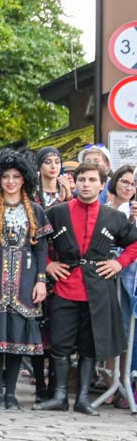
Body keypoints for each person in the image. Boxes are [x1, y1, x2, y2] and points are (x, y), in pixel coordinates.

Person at [37, 163, 137, 415]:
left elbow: (134, 242)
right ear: (75, 182)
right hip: (64, 286)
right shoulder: (56, 213)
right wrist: (48, 264)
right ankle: (59, 396)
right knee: (60, 344)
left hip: (98, 289)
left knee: (90, 346)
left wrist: (119, 263)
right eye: (82, 179)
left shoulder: (114, 217)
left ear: (102, 185)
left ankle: (82, 399)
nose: (86, 184)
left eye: (92, 180)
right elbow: (36, 241)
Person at [0, 150, 51, 409]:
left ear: (24, 179)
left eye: (16, 176)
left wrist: (41, 281)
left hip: (25, 279)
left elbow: (41, 249)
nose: (11, 181)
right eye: (6, 177)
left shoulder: (35, 210)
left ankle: (11, 394)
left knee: (17, 338)